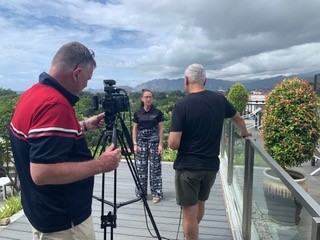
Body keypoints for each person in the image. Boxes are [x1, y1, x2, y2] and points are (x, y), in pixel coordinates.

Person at [9, 41, 121, 240]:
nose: (86, 85)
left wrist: (84, 125)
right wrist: (100, 164)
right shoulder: (56, 105)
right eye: (87, 78)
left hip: (42, 212)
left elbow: (39, 137)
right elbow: (42, 173)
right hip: (64, 224)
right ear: (76, 73)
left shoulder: (32, 94)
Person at [168, 63, 252, 240]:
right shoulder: (219, 99)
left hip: (189, 168)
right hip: (211, 167)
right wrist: (244, 133)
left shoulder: (181, 105)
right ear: (204, 80)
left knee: (189, 214)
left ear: (186, 80)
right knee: (200, 205)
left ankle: (190, 236)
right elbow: (237, 117)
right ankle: (190, 235)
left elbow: (173, 144)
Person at [132, 89, 164, 203]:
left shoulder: (158, 112)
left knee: (155, 168)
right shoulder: (137, 113)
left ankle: (157, 193)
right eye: (146, 97)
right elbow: (134, 129)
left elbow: (161, 129)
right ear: (142, 99)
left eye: (150, 97)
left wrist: (161, 144)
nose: (148, 99)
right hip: (141, 142)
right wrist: (134, 144)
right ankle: (142, 194)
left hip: (154, 142)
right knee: (141, 169)